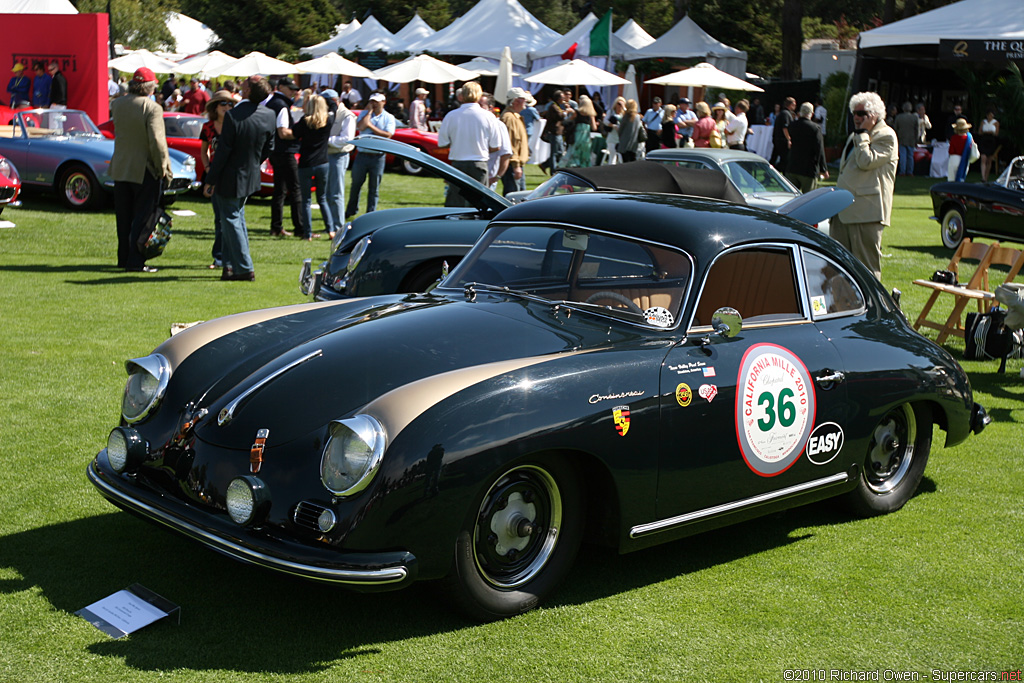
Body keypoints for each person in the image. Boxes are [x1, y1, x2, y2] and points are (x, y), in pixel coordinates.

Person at [203, 75, 276, 281]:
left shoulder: (234, 116)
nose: (241, 85)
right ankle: (229, 266)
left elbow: (224, 151)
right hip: (250, 174)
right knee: (235, 219)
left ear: (249, 92)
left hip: (231, 176)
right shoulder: (269, 115)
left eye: (245, 84)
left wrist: (211, 179)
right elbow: (269, 148)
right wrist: (252, 163)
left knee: (231, 220)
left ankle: (243, 268)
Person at [109, 67, 173, 274]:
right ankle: (136, 261)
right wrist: (163, 167)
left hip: (121, 167)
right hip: (144, 169)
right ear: (150, 86)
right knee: (144, 218)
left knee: (124, 217)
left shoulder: (117, 104)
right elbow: (157, 141)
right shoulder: (152, 107)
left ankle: (124, 258)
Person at [833, 91, 897, 281]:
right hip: (844, 210)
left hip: (867, 212)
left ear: (874, 115)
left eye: (861, 114)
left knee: (866, 270)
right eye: (854, 113)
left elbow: (865, 161)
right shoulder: (855, 136)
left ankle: (872, 309)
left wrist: (862, 134)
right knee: (839, 267)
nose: (856, 117)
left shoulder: (886, 136)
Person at [281, 92, 334, 240]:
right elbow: (335, 107)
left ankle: (307, 233)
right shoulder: (328, 121)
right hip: (323, 163)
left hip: (306, 163)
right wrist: (328, 99)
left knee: (306, 200)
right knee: (322, 199)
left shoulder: (305, 122)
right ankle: (331, 230)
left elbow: (294, 134)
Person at [437, 81, 500, 206]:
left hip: (457, 163)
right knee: (479, 204)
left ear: (462, 95)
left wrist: (458, 143)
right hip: (479, 163)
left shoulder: (451, 116)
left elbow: (442, 143)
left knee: (455, 204)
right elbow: (496, 146)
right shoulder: (488, 116)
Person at [199, 90, 236, 269]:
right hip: (215, 176)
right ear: (215, 106)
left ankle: (231, 257)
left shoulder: (235, 124)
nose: (227, 107)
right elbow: (203, 151)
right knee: (219, 218)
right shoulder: (207, 127)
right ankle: (219, 257)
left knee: (232, 218)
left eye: (230, 104)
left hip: (232, 175)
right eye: (223, 103)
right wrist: (208, 170)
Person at [346, 92, 396, 217]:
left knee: (374, 188)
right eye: (372, 101)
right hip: (362, 155)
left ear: (383, 102)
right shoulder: (365, 114)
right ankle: (351, 210)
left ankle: (371, 213)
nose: (373, 103)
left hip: (378, 157)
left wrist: (371, 127)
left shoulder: (388, 117)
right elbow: (361, 126)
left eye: (376, 101)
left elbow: (388, 135)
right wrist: (368, 113)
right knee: (355, 184)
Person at [266, 76, 303, 237]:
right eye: (290, 88)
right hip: (285, 152)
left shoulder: (272, 103)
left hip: (274, 151)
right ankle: (300, 228)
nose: (293, 91)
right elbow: (283, 132)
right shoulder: (282, 106)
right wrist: (300, 134)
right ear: (280, 87)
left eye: (295, 89)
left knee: (279, 190)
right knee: (295, 190)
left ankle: (276, 227)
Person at [321, 88, 355, 238]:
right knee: (327, 193)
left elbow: (346, 138)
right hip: (327, 155)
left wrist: (325, 141)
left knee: (336, 193)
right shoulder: (328, 113)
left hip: (339, 155)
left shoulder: (347, 115)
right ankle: (330, 226)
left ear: (334, 101)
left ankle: (339, 227)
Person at [785, 102, 828, 193]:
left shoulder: (792, 125)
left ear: (800, 112)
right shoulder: (815, 128)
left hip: (792, 166)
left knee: (791, 198)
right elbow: (819, 149)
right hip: (808, 168)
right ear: (812, 114)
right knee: (808, 200)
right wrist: (823, 168)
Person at [500, 87, 529, 195]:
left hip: (514, 164)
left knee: (518, 195)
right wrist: (516, 165)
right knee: (514, 196)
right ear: (516, 101)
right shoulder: (510, 118)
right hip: (512, 165)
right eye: (523, 99)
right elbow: (512, 143)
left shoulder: (513, 116)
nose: (525, 101)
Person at [568, 95, 599, 167]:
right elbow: (594, 128)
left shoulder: (577, 112)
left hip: (577, 134)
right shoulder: (591, 114)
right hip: (586, 136)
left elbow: (569, 120)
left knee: (575, 150)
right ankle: (584, 166)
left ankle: (575, 164)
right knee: (586, 152)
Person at [893, 101, 919, 176]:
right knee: (910, 156)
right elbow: (916, 130)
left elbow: (896, 128)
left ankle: (902, 171)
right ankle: (910, 172)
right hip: (911, 139)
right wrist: (916, 140)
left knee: (903, 156)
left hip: (901, 139)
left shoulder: (899, 117)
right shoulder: (914, 117)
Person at [947, 118, 975, 182]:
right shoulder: (969, 138)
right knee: (961, 180)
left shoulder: (953, 138)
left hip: (954, 159)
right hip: (964, 159)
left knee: (951, 181)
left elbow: (951, 151)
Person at [770, 97, 795, 169]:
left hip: (777, 139)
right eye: (794, 104)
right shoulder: (786, 114)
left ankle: (768, 174)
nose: (795, 106)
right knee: (785, 160)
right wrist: (788, 139)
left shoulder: (782, 113)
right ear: (790, 104)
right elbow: (785, 128)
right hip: (782, 140)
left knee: (774, 159)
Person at [978, 110, 1000, 182]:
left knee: (989, 160)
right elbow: (979, 132)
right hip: (984, 140)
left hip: (991, 141)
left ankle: (986, 177)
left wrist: (991, 132)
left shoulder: (996, 122)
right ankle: (983, 177)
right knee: (983, 158)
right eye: (988, 115)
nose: (990, 116)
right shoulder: (983, 121)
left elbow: (996, 133)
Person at [603, 96, 625, 164]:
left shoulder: (623, 114)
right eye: (618, 103)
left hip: (620, 138)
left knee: (620, 157)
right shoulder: (611, 112)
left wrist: (624, 108)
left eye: (621, 104)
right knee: (612, 155)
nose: (619, 106)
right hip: (612, 136)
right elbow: (605, 121)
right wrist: (613, 125)